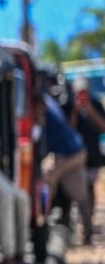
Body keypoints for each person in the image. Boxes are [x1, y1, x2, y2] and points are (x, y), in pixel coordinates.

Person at [43, 93, 92, 243]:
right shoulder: (48, 101)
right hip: (75, 150)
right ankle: (84, 230)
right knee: (79, 194)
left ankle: (43, 224)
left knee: (50, 179)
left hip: (72, 153)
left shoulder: (45, 107)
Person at [67, 78, 105, 237]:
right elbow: (69, 129)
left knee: (90, 190)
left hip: (93, 156)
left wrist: (89, 110)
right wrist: (76, 111)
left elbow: (102, 126)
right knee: (79, 193)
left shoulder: (95, 105)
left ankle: (87, 223)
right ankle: (83, 224)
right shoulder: (70, 106)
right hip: (75, 156)